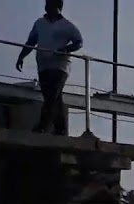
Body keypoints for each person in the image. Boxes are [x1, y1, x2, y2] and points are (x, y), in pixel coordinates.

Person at [15, 0, 83, 136]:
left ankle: (43, 125)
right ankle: (61, 128)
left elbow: (79, 41)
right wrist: (21, 56)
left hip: (60, 66)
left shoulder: (67, 25)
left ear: (57, 7)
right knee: (53, 97)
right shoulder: (39, 23)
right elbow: (31, 41)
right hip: (43, 65)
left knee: (52, 94)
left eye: (50, 4)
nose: (46, 6)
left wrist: (66, 48)